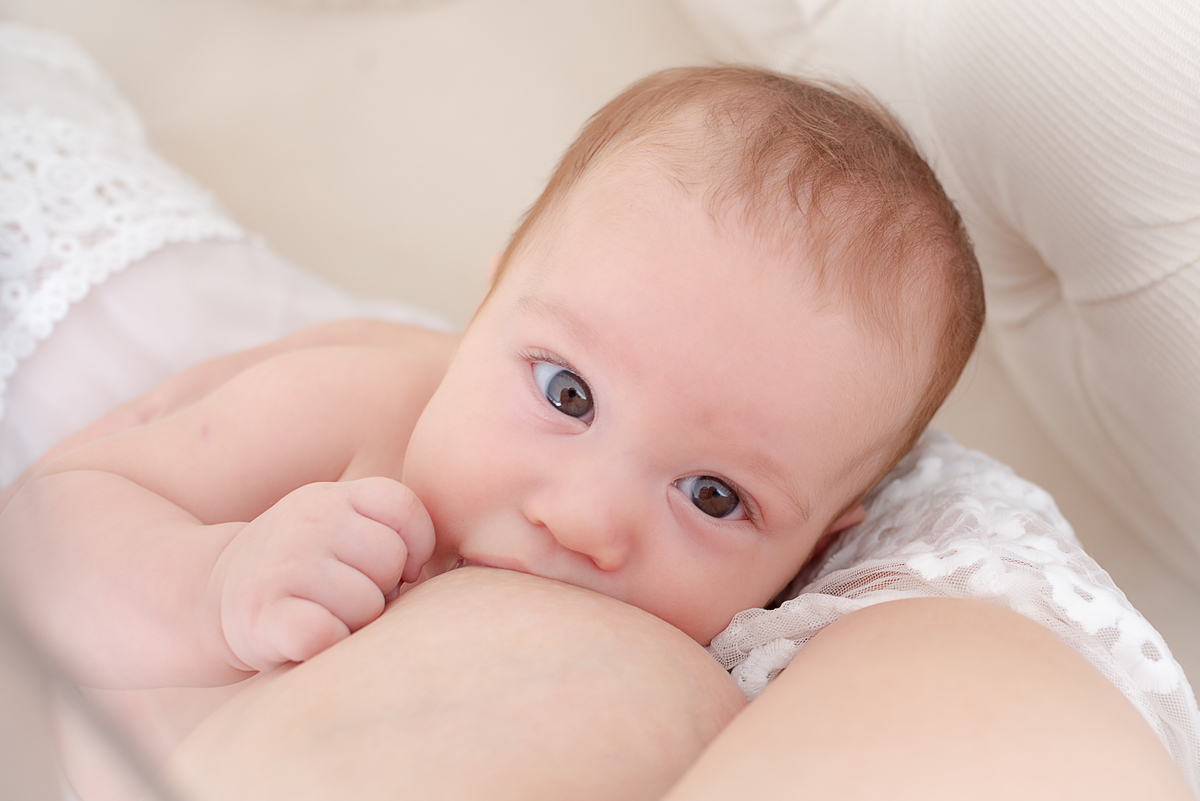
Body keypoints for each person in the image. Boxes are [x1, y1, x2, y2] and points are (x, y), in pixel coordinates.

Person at [0, 66, 1191, 800]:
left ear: (819, 548)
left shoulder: (733, 681)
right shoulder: (356, 410)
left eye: (714, 496)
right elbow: (49, 522)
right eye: (566, 395)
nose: (586, 520)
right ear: (487, 305)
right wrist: (212, 586)